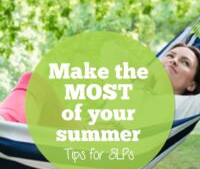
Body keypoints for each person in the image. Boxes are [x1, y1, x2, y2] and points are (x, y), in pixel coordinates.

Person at [0, 43, 200, 124]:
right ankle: (5, 122)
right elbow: (110, 50)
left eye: (185, 63)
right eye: (170, 55)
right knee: (33, 80)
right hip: (76, 131)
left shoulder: (182, 106)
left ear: (192, 85)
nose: (173, 61)